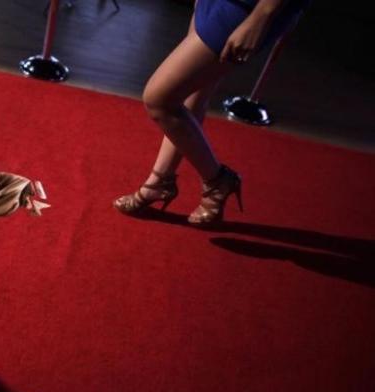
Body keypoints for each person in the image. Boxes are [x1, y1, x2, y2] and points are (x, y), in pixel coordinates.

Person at [113, 0, 307, 225]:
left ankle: (218, 180)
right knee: (194, 91)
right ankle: (159, 181)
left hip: (248, 7)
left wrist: (260, 16)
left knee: (159, 98)